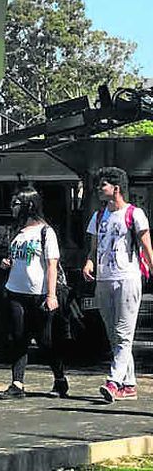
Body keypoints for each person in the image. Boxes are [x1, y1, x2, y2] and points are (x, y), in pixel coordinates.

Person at [84, 166, 150, 403]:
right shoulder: (99, 216)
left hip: (127, 278)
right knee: (114, 335)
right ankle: (129, 384)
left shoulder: (135, 214)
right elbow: (94, 249)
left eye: (103, 185)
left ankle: (113, 381)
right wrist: (89, 263)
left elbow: (146, 247)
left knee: (123, 334)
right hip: (104, 278)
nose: (99, 190)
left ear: (116, 188)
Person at [0, 187, 65, 400]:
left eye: (15, 203)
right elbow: (16, 259)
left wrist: (51, 295)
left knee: (45, 340)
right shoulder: (17, 232)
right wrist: (6, 263)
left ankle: (60, 379)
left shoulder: (46, 232)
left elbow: (51, 265)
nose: (12, 208)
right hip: (16, 291)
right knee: (19, 338)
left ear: (28, 205)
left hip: (39, 293)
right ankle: (17, 384)